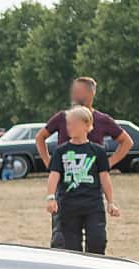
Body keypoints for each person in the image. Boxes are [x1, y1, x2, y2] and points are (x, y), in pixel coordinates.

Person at [45, 105, 120, 254]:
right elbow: (54, 175)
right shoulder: (61, 151)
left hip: (93, 205)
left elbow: (104, 177)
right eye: (68, 124)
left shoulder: (97, 151)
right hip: (68, 206)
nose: (69, 127)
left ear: (87, 125)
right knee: (70, 249)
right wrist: (51, 198)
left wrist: (111, 202)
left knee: (97, 242)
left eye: (73, 123)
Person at [35, 77, 132, 172]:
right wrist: (49, 163)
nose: (74, 95)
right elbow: (40, 137)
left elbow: (127, 141)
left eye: (78, 91)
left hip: (93, 179)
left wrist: (108, 163)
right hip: (66, 178)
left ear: (91, 94)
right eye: (73, 91)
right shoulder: (62, 117)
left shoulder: (102, 119)